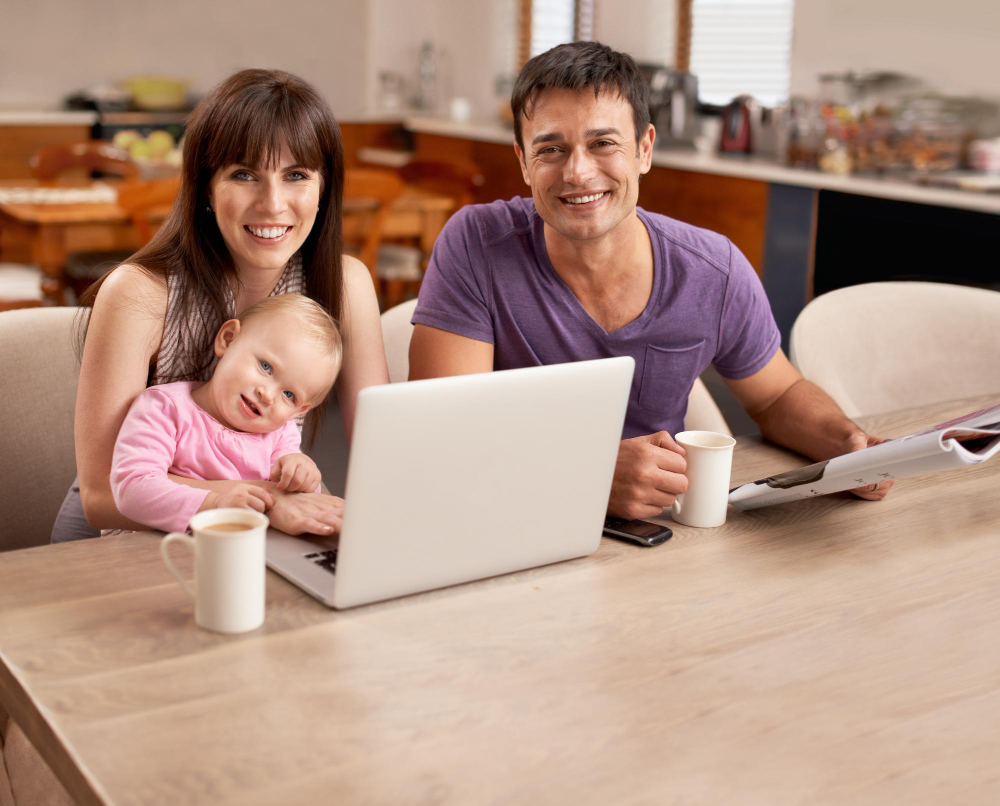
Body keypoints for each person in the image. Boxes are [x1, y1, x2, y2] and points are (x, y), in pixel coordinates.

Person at [408, 41, 893, 519]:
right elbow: (446, 430)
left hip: (661, 535)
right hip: (509, 517)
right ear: (523, 162)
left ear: (644, 149)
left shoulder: (713, 270)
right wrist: (587, 474)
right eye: (551, 149)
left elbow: (777, 396)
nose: (577, 172)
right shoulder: (476, 244)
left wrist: (845, 442)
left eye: (603, 143)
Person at [53, 68, 389, 541]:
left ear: (323, 186)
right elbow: (103, 498)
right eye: (244, 175)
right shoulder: (139, 293)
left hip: (254, 532)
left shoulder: (344, 282)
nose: (273, 204)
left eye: (296, 175)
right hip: (127, 538)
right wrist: (267, 506)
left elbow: (385, 460)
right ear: (205, 188)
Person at [112, 295, 342, 534]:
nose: (267, 395)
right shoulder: (165, 408)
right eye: (266, 366)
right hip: (171, 548)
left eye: (288, 394)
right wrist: (214, 504)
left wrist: (303, 475)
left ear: (300, 410)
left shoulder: (280, 433)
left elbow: (301, 502)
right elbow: (132, 489)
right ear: (228, 339)